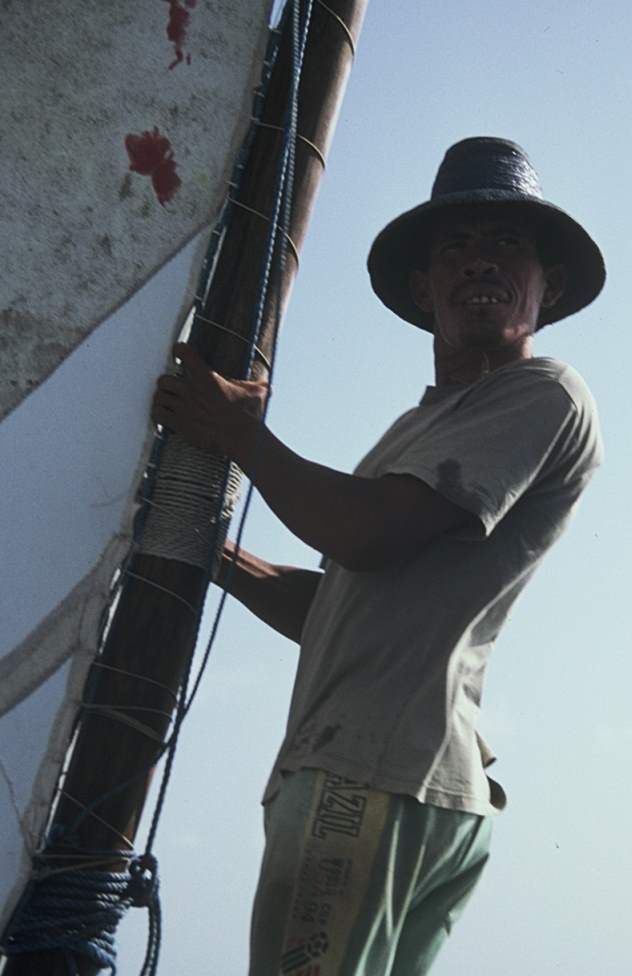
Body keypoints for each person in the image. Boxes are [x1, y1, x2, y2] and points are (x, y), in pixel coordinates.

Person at [152, 137, 606, 975]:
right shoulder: (424, 428)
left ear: (553, 287)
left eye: (508, 244)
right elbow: (340, 600)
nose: (481, 263)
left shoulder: (542, 393)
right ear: (419, 287)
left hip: (369, 775)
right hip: (397, 778)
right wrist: (209, 549)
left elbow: (363, 533)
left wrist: (236, 434)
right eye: (456, 247)